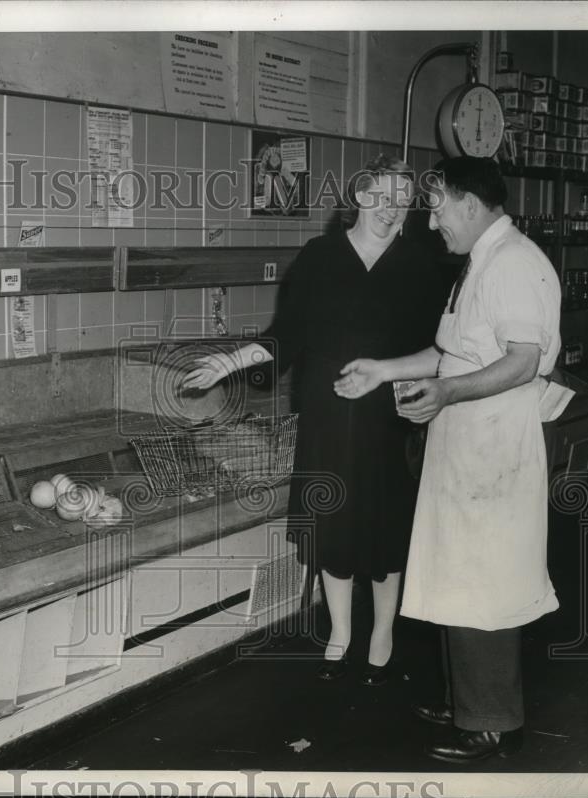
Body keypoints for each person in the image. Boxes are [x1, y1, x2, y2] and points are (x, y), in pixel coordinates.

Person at [182, 155, 446, 684]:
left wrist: (410, 384)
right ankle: (342, 628)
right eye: (381, 196)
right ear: (359, 196)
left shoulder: (420, 264)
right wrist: (229, 362)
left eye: (401, 200)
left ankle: (383, 629)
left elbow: (438, 349)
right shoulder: (321, 256)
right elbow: (286, 336)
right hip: (328, 410)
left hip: (389, 411)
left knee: (386, 526)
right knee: (334, 521)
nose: (390, 209)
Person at [334, 156, 563, 762]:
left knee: (485, 582)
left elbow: (523, 361)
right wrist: (383, 369)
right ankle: (467, 700)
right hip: (465, 445)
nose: (431, 223)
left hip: (493, 448)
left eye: (436, 208)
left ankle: (493, 722)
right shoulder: (478, 264)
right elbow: (451, 353)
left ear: (468, 203)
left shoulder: (513, 264)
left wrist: (448, 394)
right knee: (458, 573)